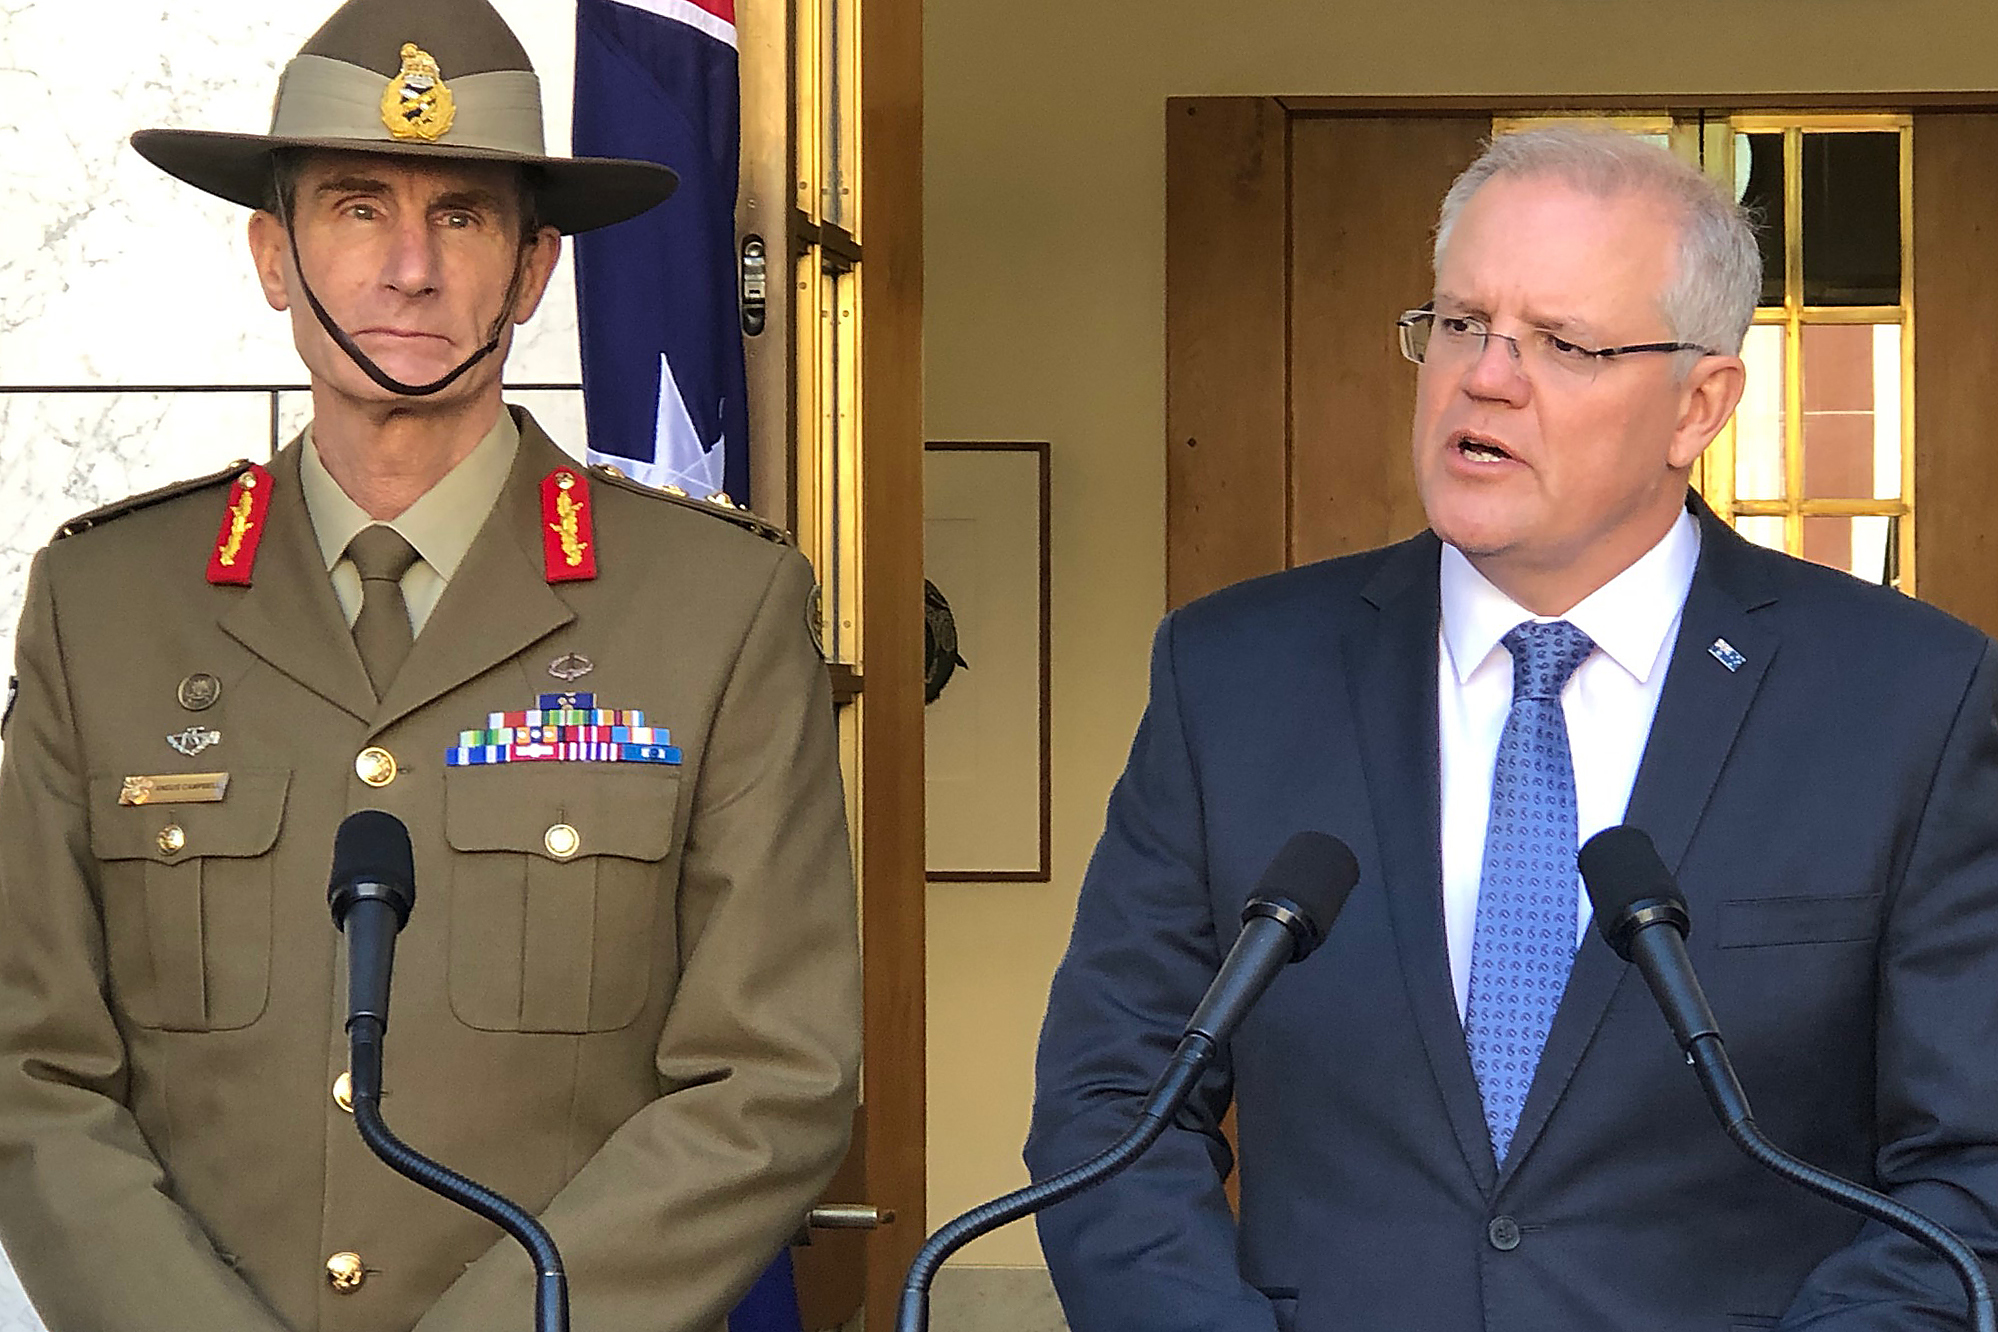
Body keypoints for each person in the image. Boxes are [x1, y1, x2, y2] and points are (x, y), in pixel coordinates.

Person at [1026, 126, 1998, 1330]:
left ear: (1701, 403)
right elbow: (1112, 1096)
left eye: (1565, 343)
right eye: (1458, 323)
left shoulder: (1911, 697)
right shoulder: (1232, 674)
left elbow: (1975, 1165)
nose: (1486, 376)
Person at [0, 2, 861, 1330]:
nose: (409, 266)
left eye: (461, 216)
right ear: (271, 255)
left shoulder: (718, 610)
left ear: (530, 272)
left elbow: (773, 1080)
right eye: (355, 205)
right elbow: (31, 1068)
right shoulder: (102, 607)